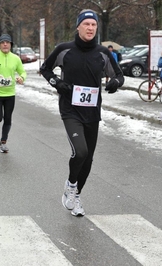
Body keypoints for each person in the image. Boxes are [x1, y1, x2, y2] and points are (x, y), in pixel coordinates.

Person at [40, 9, 124, 217]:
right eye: (86, 24)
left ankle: (76, 195)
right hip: (70, 110)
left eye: (93, 25)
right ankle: (70, 185)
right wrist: (58, 83)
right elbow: (45, 69)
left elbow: (119, 75)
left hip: (92, 112)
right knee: (81, 151)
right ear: (78, 27)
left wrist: (115, 83)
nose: (90, 28)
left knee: (88, 159)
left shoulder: (103, 53)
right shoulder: (64, 50)